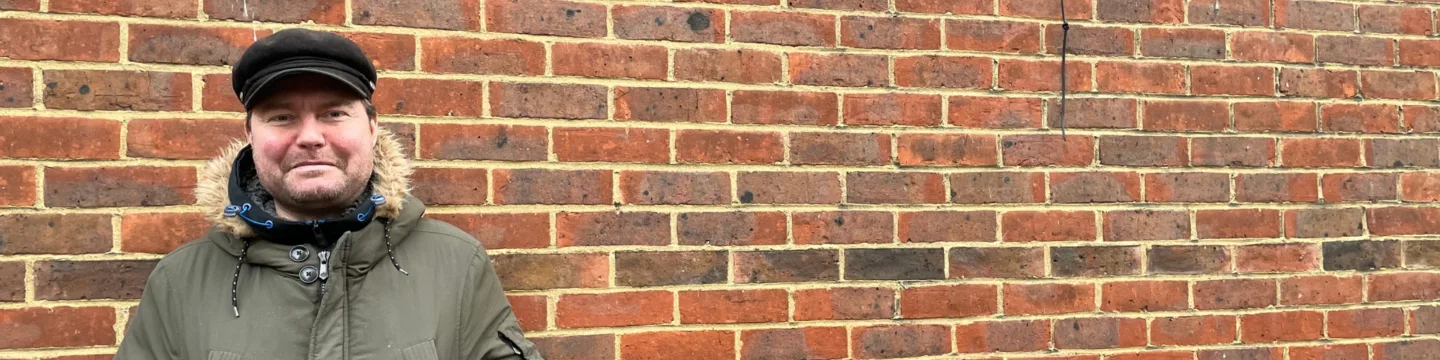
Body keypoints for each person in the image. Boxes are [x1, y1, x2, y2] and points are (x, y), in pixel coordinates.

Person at [115, 28, 543, 360]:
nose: (310, 137)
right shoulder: (180, 283)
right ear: (250, 134)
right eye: (282, 117)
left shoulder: (456, 265)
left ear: (372, 127)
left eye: (334, 113)